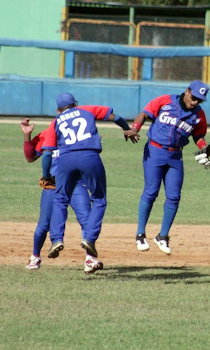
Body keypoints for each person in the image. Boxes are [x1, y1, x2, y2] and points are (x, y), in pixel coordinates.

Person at [42, 92, 136, 273]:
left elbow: (47, 154)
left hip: (66, 159)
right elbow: (116, 117)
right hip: (90, 157)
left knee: (60, 200)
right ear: (75, 104)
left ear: (58, 109)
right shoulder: (87, 109)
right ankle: (90, 239)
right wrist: (126, 128)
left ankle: (56, 240)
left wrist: (46, 176)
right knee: (99, 199)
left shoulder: (56, 121)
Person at [124, 80, 210, 255]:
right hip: (155, 151)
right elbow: (145, 113)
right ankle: (140, 234)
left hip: (176, 156)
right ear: (187, 91)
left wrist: (203, 147)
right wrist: (135, 128)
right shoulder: (165, 101)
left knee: (174, 196)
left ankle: (163, 236)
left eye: (200, 100)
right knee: (151, 192)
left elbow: (199, 136)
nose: (195, 102)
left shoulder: (199, 115)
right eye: (194, 97)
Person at [21, 118, 91, 270]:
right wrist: (27, 136)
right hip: (53, 184)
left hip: (76, 184)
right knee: (44, 224)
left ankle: (90, 259)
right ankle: (35, 257)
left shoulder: (81, 135)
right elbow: (30, 157)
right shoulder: (47, 134)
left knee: (86, 220)